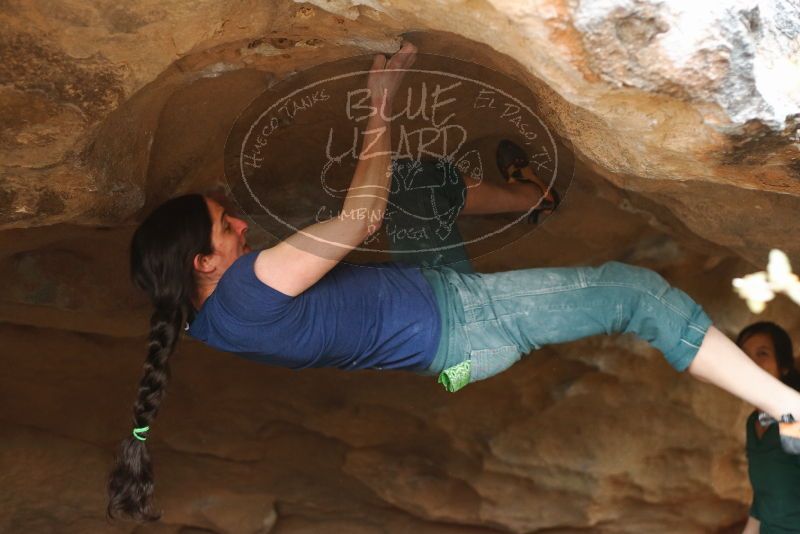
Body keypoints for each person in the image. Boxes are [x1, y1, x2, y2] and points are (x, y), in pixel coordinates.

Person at [106, 41, 800, 524]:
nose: (243, 228)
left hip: (441, 333)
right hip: (470, 322)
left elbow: (375, 214)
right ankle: (790, 411)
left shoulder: (207, 322)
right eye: (226, 226)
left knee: (412, 183)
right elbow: (359, 215)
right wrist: (380, 109)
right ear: (202, 261)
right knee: (638, 294)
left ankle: (534, 200)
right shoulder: (251, 288)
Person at [737, 322, 800, 534]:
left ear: (784, 365)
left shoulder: (792, 417)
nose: (751, 363)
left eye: (762, 353)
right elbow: (763, 501)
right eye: (744, 355)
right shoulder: (753, 422)